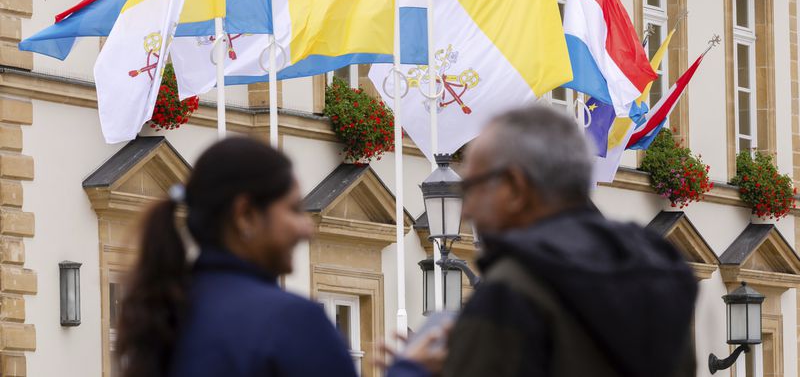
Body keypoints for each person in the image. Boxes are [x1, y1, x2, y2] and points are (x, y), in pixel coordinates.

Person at [388, 104, 698, 377]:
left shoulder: (514, 289)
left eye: (471, 187)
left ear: (514, 187)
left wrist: (409, 371)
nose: (466, 208)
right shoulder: (656, 277)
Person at [116, 137, 360, 377]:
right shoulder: (292, 322)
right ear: (245, 215)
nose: (307, 228)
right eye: (294, 209)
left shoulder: (166, 315)